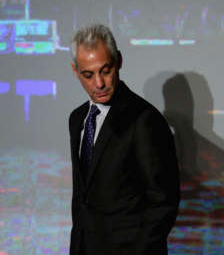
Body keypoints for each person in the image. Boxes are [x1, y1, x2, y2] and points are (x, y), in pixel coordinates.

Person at [68, 24, 180, 255]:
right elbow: (83, 197)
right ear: (75, 71)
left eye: (105, 71)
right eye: (88, 75)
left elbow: (163, 201)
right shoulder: (77, 119)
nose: (99, 83)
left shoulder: (145, 120)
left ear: (119, 61)